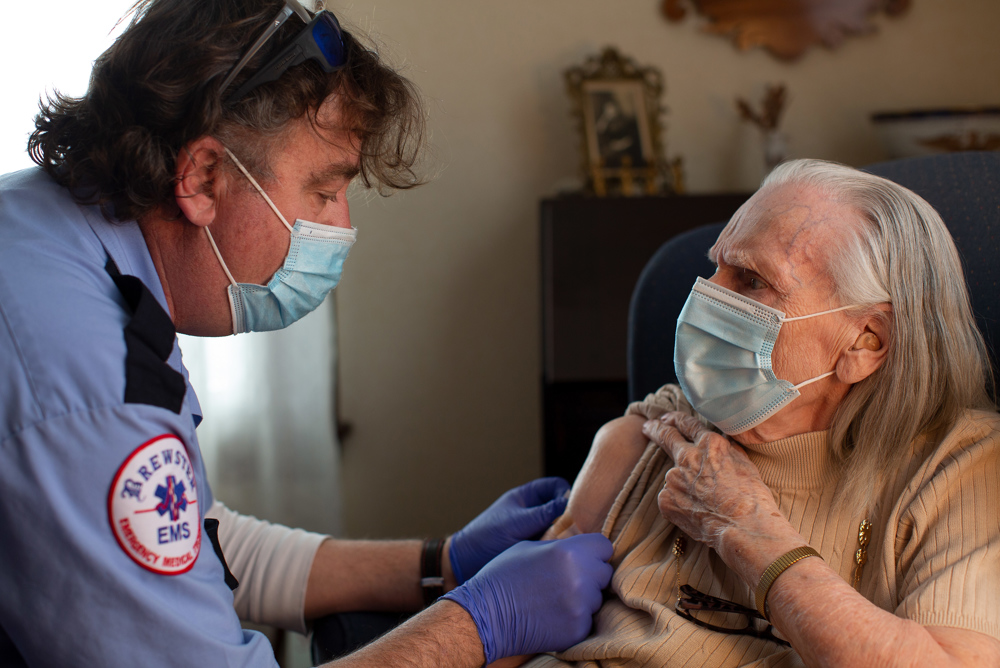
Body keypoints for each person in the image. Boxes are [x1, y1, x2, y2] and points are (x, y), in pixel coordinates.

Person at [0, 1, 614, 666]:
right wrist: (480, 623)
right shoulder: (91, 386)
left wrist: (442, 563)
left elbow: (192, 543)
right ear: (203, 178)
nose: (341, 226)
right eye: (323, 192)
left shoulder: (54, 233)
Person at [504, 159, 1000, 667]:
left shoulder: (960, 470)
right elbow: (511, 636)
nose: (705, 297)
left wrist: (750, 532)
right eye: (715, 267)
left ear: (866, 341)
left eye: (751, 280)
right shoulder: (647, 436)